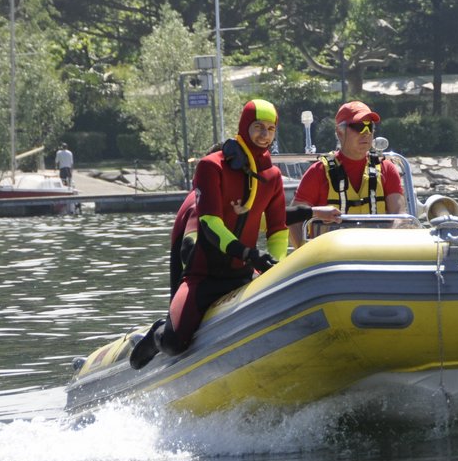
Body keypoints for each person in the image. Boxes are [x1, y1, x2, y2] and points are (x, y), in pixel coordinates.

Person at [131, 98, 339, 369]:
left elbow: (276, 227)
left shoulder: (273, 176)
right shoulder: (211, 166)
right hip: (203, 277)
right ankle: (157, 332)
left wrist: (272, 265)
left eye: (270, 129)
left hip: (242, 275)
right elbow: (210, 224)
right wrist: (248, 254)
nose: (264, 135)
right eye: (258, 127)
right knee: (173, 342)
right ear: (244, 126)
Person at [289, 100, 405, 247]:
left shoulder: (388, 169)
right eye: (358, 127)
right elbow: (294, 221)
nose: (366, 133)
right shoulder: (317, 172)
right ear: (340, 132)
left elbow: (400, 217)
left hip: (377, 255)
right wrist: (303, 254)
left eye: (370, 127)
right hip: (331, 262)